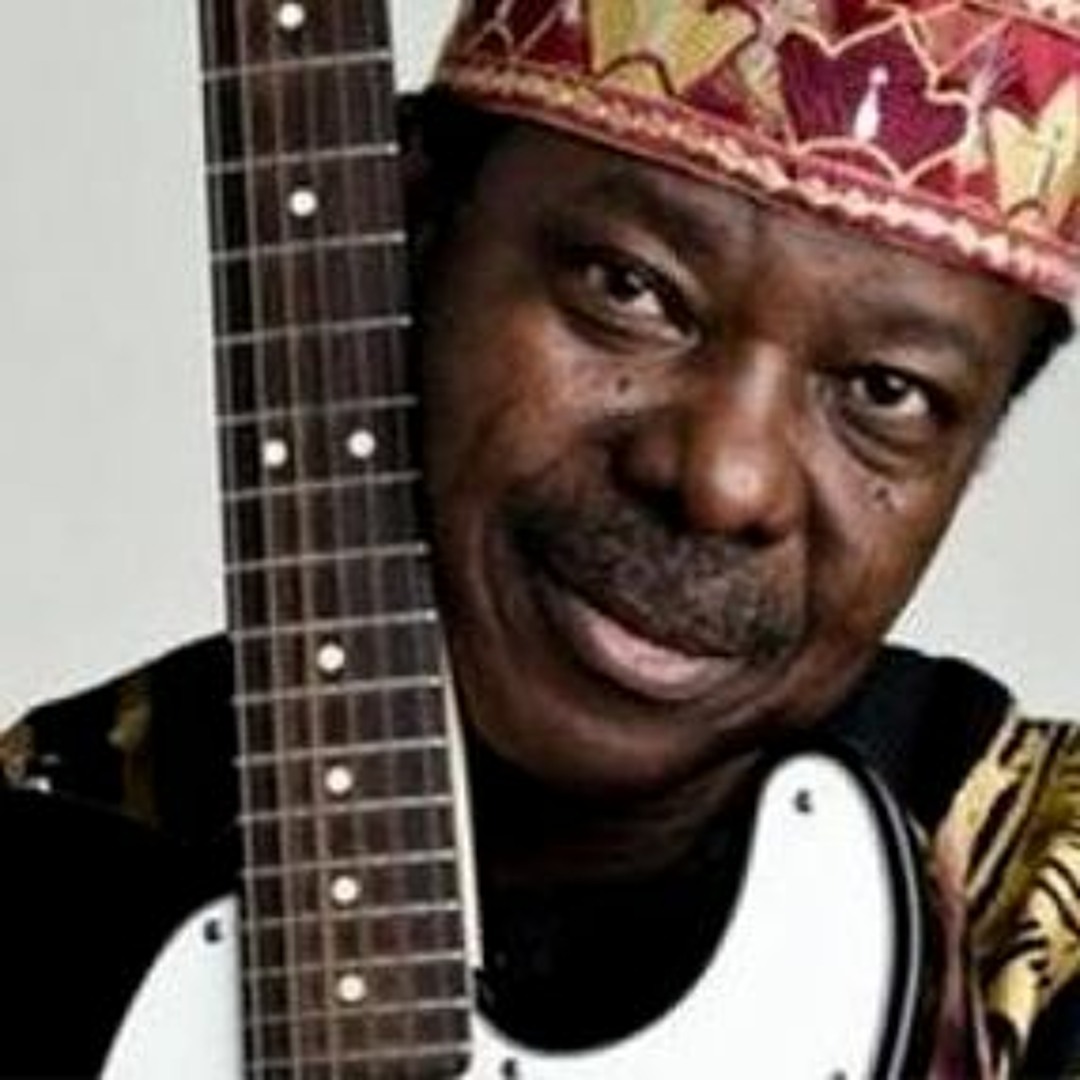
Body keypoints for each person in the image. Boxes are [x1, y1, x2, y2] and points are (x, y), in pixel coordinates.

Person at [0, 1, 1077, 1076]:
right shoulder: (52, 867)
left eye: (887, 393)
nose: (723, 479)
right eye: (630, 289)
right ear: (407, 222)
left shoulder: (1044, 919)